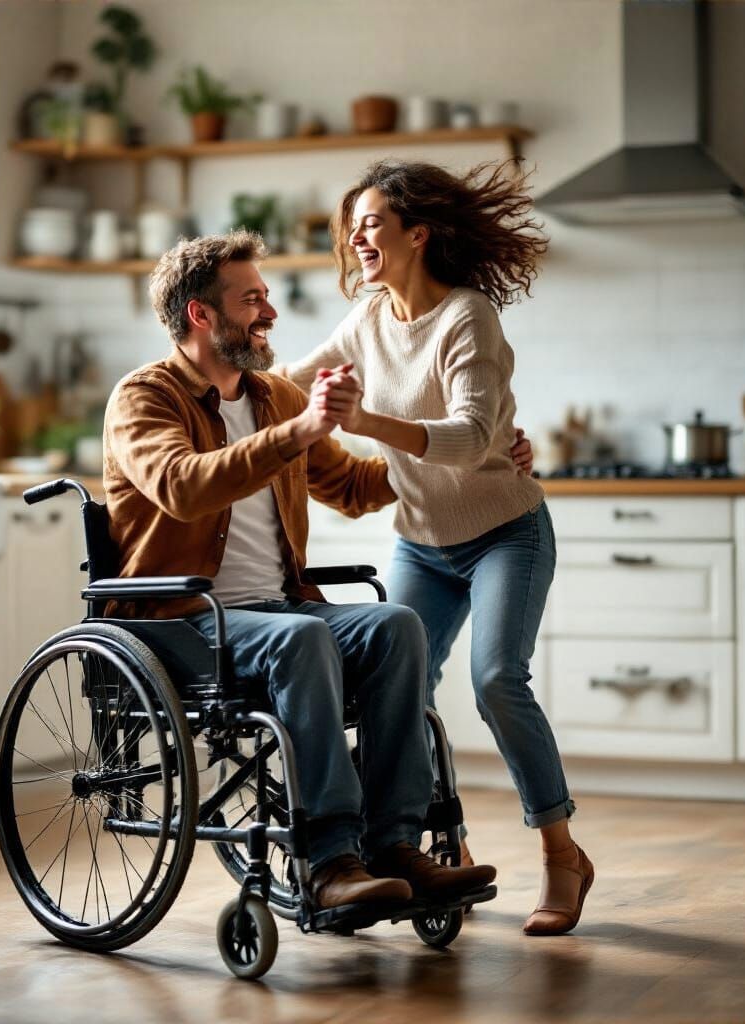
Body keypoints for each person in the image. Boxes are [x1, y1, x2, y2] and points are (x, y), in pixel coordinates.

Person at [101, 229, 497, 913]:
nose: (270, 312)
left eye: (266, 297)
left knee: (395, 627)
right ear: (202, 314)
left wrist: (463, 459)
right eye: (252, 299)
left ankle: (395, 847)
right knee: (302, 640)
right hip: (177, 621)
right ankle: (328, 862)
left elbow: (351, 486)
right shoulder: (145, 398)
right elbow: (182, 486)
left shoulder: (275, 397)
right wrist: (299, 431)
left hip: (278, 611)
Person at [281, 160, 594, 936]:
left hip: (504, 535)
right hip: (421, 544)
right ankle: (413, 851)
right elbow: (286, 384)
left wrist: (368, 425)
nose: (357, 236)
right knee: (396, 689)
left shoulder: (467, 317)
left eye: (372, 222)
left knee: (496, 680)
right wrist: (204, 381)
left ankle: (562, 854)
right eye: (351, 224)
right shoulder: (366, 322)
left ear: (416, 234)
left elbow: (472, 436)